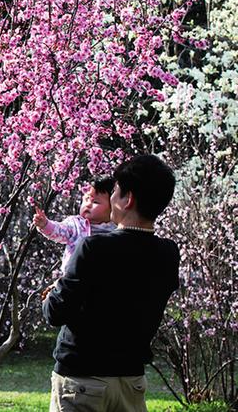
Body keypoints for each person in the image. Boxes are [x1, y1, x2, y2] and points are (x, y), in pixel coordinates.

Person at [43, 155, 181, 412]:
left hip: (82, 379)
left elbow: (55, 312)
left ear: (128, 199)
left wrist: (53, 293)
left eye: (115, 192)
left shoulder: (94, 248)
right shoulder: (168, 253)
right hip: (131, 381)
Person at [33, 177, 116, 275]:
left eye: (95, 202)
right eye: (86, 199)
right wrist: (46, 225)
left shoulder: (114, 229)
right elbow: (60, 231)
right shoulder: (76, 224)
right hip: (74, 277)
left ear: (113, 207)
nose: (88, 205)